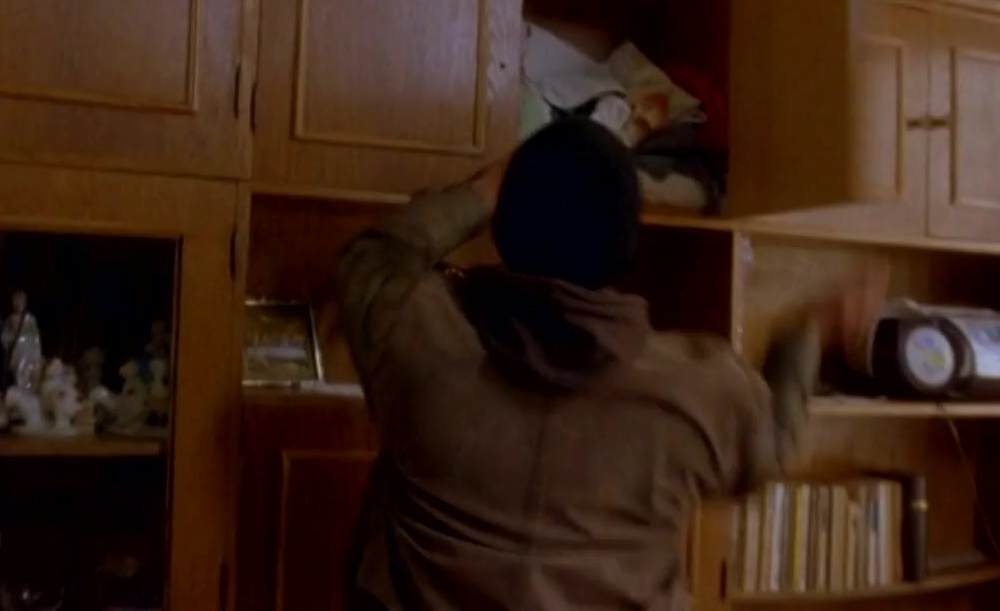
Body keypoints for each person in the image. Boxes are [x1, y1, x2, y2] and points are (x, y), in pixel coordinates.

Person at [337, 117, 886, 611]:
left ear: (504, 221)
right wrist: (809, 334)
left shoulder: (413, 332)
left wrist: (484, 190)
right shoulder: (704, 390)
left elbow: (376, 255)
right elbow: (773, 447)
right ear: (627, 243)